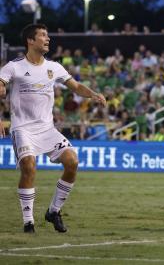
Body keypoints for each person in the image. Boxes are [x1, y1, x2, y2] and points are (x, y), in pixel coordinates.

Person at [0, 24, 107, 233]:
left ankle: (53, 211)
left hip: (47, 129)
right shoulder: (14, 66)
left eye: (47, 35)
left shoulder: (54, 67)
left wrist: (93, 94)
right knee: (29, 167)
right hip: (23, 129)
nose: (47, 39)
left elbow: (75, 86)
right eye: (42, 35)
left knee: (72, 161)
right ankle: (28, 222)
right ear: (30, 41)